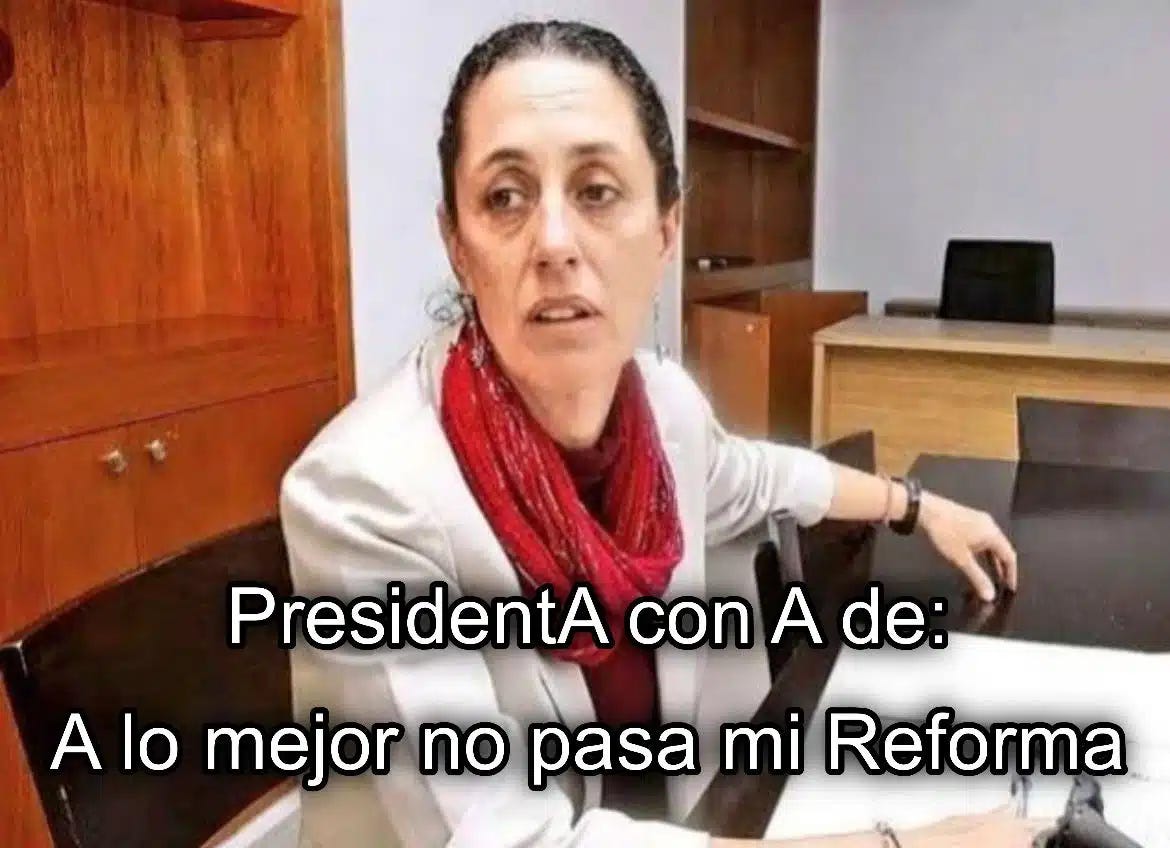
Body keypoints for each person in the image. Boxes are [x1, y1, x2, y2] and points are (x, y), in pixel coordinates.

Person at [279, 19, 1049, 848]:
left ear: (665, 232)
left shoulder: (662, 408)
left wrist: (918, 505)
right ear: (457, 246)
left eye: (597, 191)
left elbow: (763, 478)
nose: (554, 243)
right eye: (505, 197)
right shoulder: (364, 496)